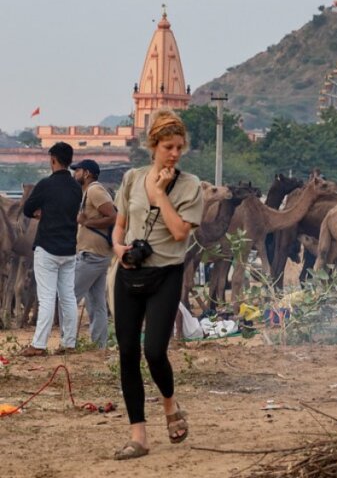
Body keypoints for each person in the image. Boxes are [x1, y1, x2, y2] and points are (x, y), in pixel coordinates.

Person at [111, 110, 204, 460]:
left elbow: (180, 232)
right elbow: (119, 225)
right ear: (153, 146)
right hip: (129, 274)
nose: (175, 153)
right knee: (127, 354)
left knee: (154, 351)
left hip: (166, 273)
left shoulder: (189, 185)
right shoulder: (132, 179)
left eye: (180, 147)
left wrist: (162, 193)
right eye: (168, 146)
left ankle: (169, 405)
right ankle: (139, 435)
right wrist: (119, 248)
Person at [20, 142, 83, 357]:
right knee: (68, 297)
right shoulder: (76, 188)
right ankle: (69, 343)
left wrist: (40, 212)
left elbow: (28, 209)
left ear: (53, 159)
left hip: (47, 248)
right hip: (69, 249)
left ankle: (39, 344)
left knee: (46, 298)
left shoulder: (46, 184)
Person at [71, 159, 116, 349]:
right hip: (98, 255)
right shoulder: (89, 192)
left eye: (78, 171)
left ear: (87, 173)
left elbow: (113, 216)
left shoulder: (95, 191)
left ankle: (68, 342)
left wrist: (87, 223)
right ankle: (99, 346)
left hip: (92, 255)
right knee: (96, 303)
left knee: (68, 296)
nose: (75, 174)